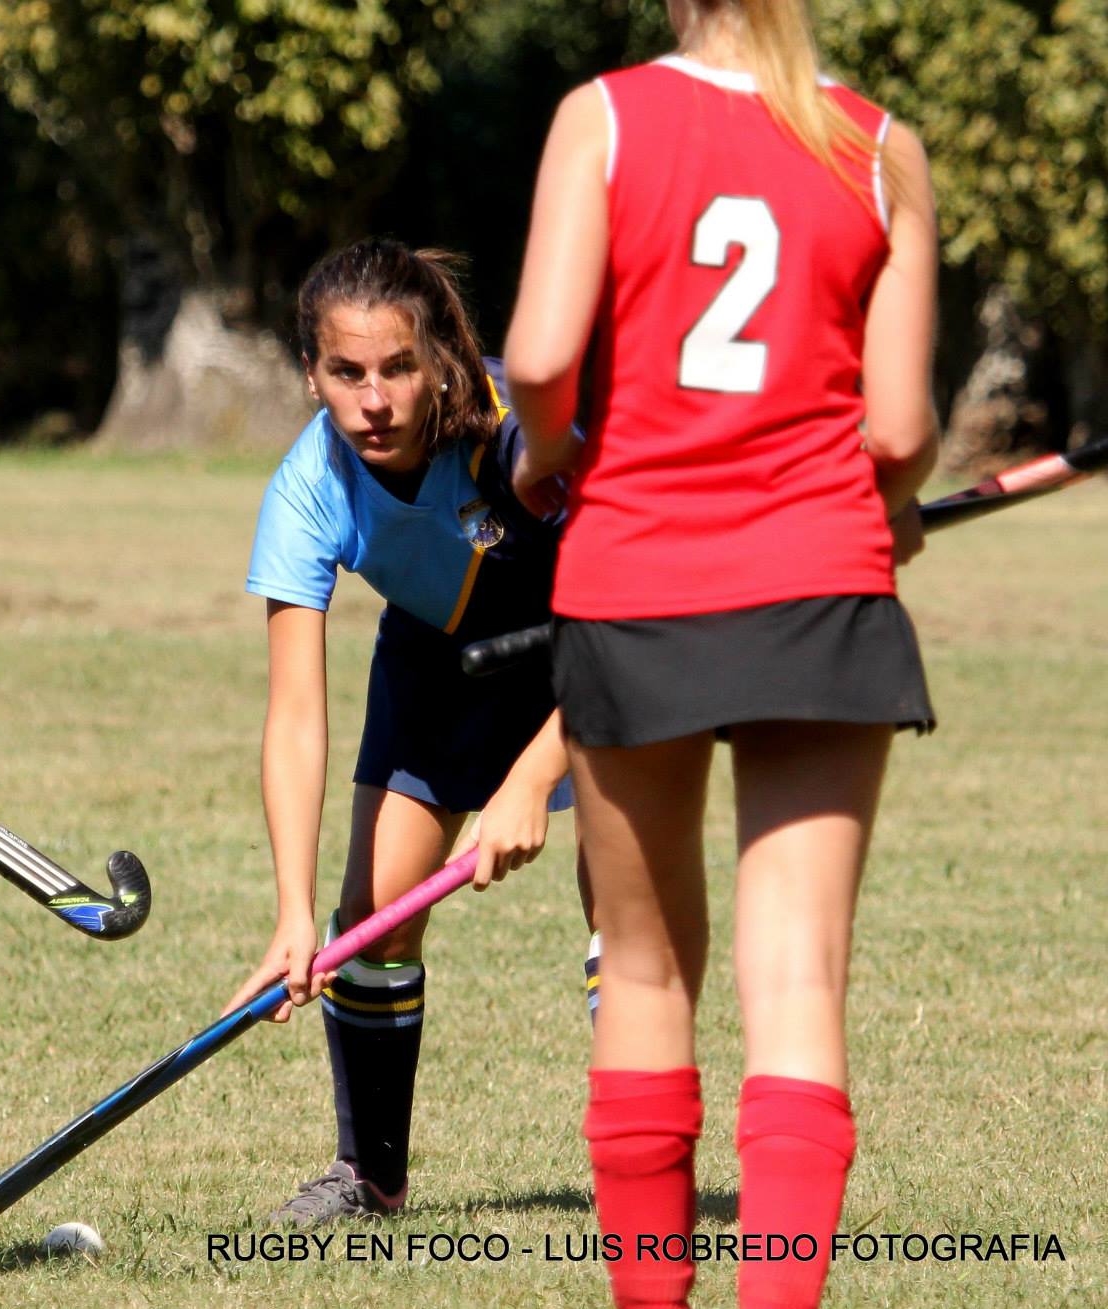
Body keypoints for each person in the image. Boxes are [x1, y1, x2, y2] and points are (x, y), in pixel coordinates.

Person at [502, 1, 938, 1304]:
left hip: (638, 588)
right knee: (798, 974)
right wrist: (889, 505)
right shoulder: (878, 145)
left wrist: (547, 447)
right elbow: (902, 429)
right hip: (821, 587)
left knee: (642, 970)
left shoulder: (605, 117)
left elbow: (535, 355)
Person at [223, 238, 595, 1228]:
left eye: (395, 368)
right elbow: (296, 713)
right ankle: (369, 1178)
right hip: (437, 659)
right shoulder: (305, 487)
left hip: (591, 642)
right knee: (373, 919)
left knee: (624, 900)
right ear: (311, 372)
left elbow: (626, 616)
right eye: (345, 373)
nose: (372, 399)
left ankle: (643, 1168)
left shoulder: (522, 437)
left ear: (439, 361)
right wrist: (291, 912)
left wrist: (529, 779)